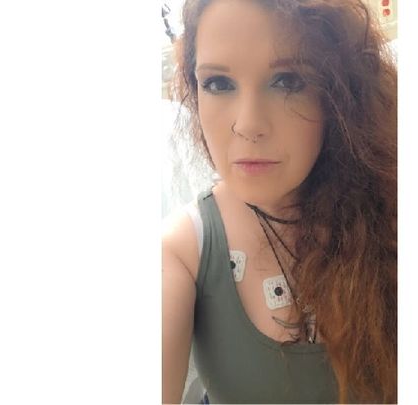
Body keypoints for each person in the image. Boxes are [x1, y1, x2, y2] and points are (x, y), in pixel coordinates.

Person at [162, 0, 397, 403]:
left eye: (287, 81)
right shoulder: (183, 251)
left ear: (339, 93)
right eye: (218, 84)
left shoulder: (389, 209)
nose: (248, 125)